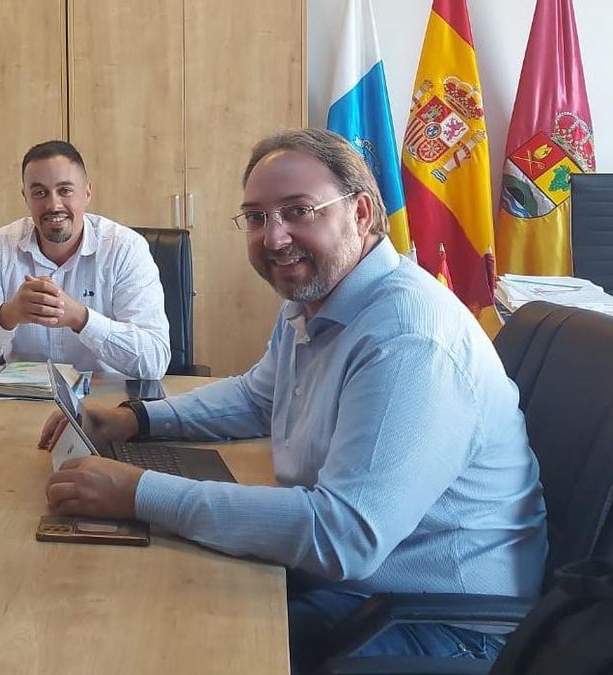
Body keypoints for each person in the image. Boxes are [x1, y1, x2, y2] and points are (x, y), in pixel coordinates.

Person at [38, 128, 547, 669]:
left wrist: (140, 493)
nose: (274, 237)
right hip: (358, 585)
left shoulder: (408, 339)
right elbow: (259, 397)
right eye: (256, 217)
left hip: (436, 621)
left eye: (299, 211)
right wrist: (133, 420)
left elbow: (342, 534)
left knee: (173, 646)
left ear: (361, 213)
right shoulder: (316, 299)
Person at [0, 140, 170, 379]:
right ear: (26, 197)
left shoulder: (125, 248)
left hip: (107, 404)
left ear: (87, 193)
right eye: (39, 193)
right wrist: (8, 315)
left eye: (65, 190)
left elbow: (154, 360)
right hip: (21, 399)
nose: (53, 205)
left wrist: (80, 318)